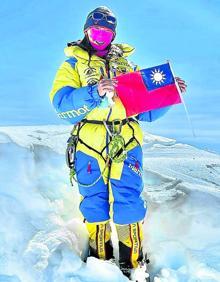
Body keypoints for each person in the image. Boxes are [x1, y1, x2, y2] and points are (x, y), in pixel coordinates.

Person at [49, 6, 186, 281]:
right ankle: (100, 257)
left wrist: (168, 94)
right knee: (94, 200)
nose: (100, 36)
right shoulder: (72, 65)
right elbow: (61, 104)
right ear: (86, 30)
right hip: (89, 141)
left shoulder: (127, 66)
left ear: (113, 34)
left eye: (106, 32)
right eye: (96, 30)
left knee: (128, 200)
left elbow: (145, 111)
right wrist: (93, 91)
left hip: (126, 140)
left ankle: (132, 262)